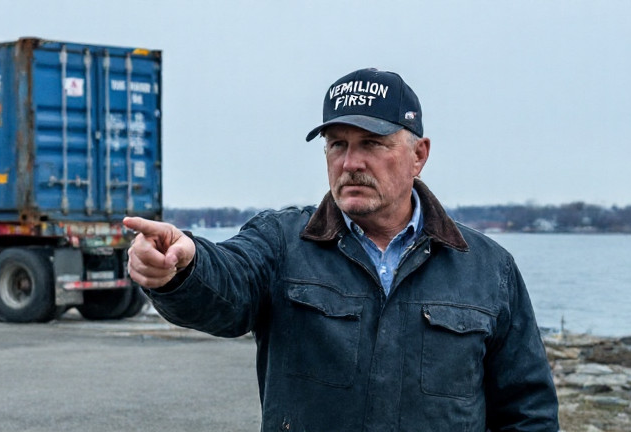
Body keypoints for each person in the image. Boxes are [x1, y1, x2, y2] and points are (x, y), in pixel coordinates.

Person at [124, 68, 559, 431]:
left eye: (372, 143)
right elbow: (229, 283)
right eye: (338, 144)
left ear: (418, 155)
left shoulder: (487, 268)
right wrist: (182, 269)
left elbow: (527, 410)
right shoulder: (283, 243)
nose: (351, 162)